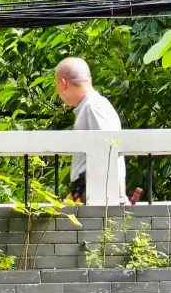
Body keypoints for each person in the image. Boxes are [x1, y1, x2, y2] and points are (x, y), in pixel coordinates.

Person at [54, 57, 127, 205]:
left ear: (63, 83)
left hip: (98, 198)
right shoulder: (92, 105)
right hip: (93, 194)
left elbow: (108, 152)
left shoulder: (93, 107)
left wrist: (81, 189)